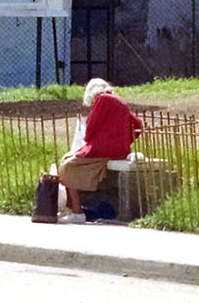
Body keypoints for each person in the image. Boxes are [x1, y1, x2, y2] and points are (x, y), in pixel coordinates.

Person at [56, 77, 143, 222]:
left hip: (102, 149)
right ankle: (76, 209)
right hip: (118, 150)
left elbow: (91, 127)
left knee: (67, 166)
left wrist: (88, 140)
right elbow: (137, 124)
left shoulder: (103, 100)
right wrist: (124, 141)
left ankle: (77, 211)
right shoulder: (119, 100)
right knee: (68, 159)